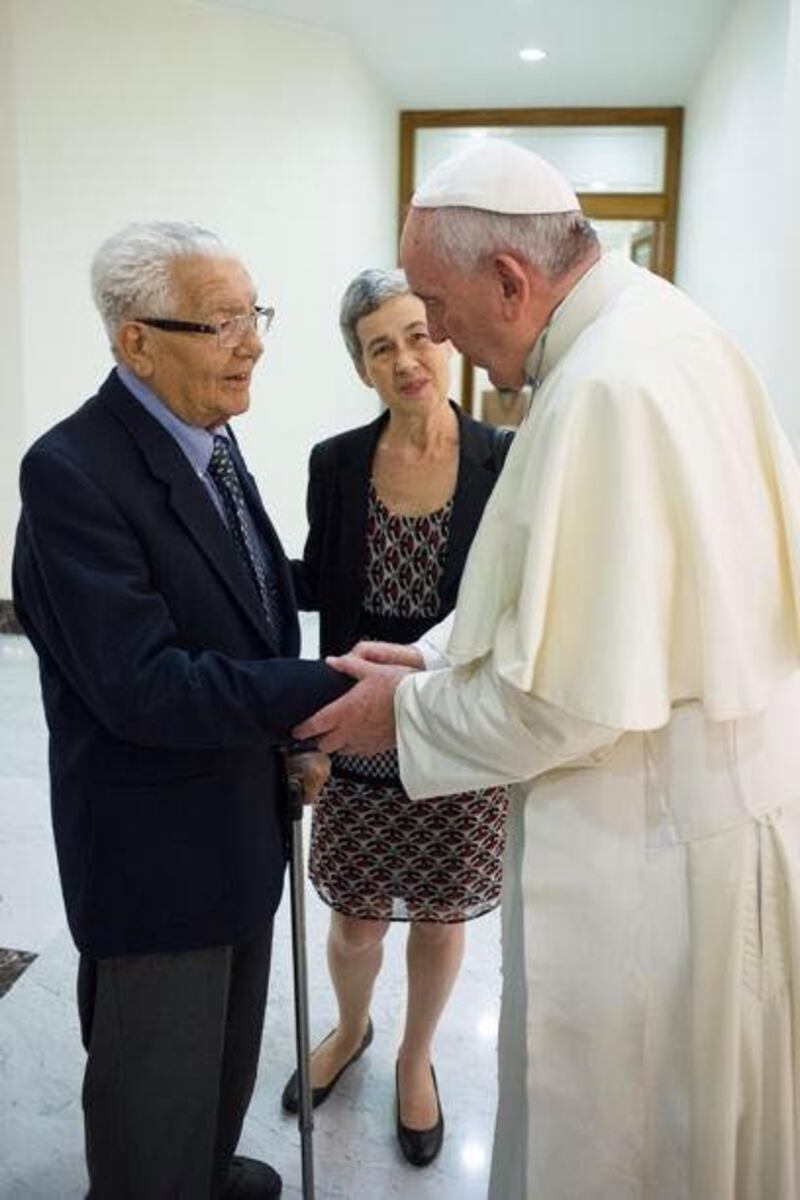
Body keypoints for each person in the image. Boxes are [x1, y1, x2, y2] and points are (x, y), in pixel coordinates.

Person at [293, 140, 800, 1200]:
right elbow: (569, 601)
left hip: (653, 841)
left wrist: (409, 711)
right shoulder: (658, 330)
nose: (434, 335)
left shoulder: (602, 388)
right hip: (710, 798)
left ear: (509, 282)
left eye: (434, 304)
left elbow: (565, 694)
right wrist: (429, 655)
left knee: (631, 1144)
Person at [12, 221, 349, 1200]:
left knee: (226, 1048)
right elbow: (142, 686)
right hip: (153, 849)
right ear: (136, 342)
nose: (252, 342)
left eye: (255, 315)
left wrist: (286, 728)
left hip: (237, 815)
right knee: (152, 1083)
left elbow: (244, 597)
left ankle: (202, 1169)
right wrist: (327, 687)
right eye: (221, 323)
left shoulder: (207, 430)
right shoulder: (71, 473)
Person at [280, 268, 512, 1167]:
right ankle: (351, 1031)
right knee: (356, 921)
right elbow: (326, 592)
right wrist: (308, 727)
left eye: (420, 334)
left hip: (454, 731)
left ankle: (417, 1059)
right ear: (361, 367)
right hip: (359, 728)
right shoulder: (336, 464)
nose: (408, 359)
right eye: (383, 346)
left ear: (445, 338)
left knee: (441, 916)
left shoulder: (503, 460)